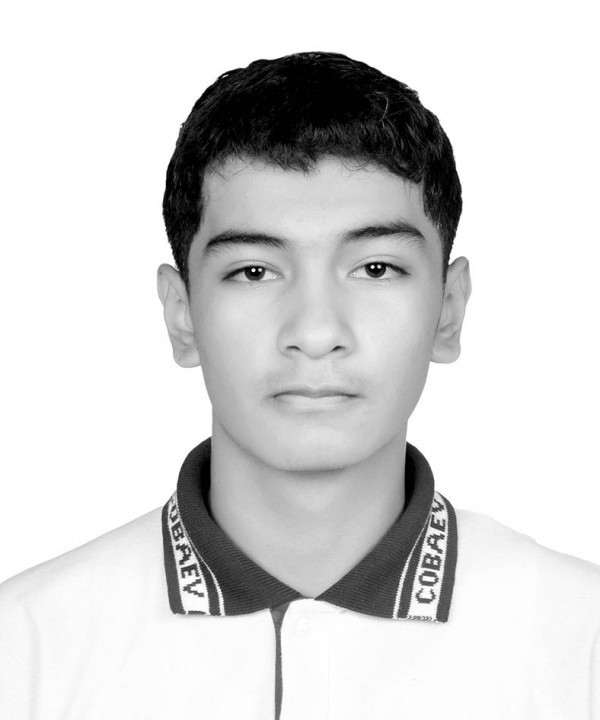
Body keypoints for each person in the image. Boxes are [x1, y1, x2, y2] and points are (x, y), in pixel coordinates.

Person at [0, 50, 598, 720]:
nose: (315, 332)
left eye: (375, 268)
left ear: (448, 310)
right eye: (254, 271)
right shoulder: (24, 654)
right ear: (182, 315)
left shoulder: (581, 647)